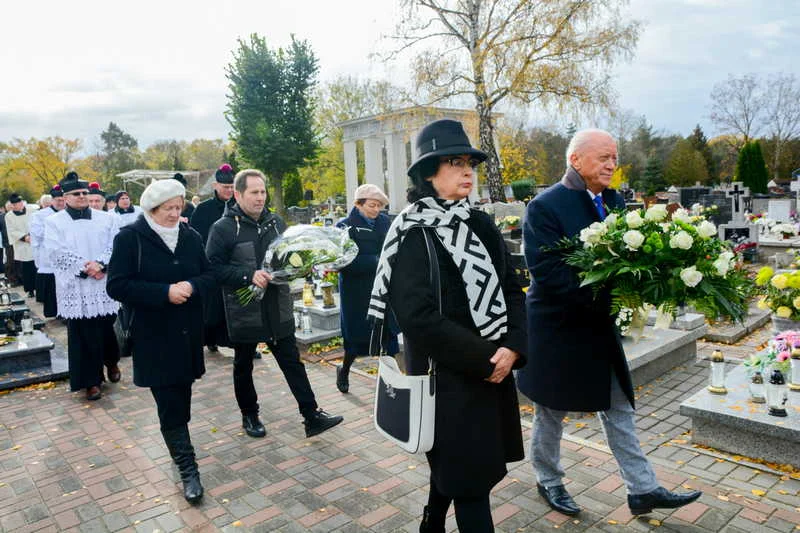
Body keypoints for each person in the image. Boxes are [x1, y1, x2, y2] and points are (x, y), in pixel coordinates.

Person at [517, 129, 702, 517]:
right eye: (603, 157)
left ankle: (642, 488)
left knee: (618, 405)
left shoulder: (615, 200)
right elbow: (547, 272)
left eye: (614, 157)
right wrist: (610, 284)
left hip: (599, 326)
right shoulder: (545, 207)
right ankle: (548, 479)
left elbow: (632, 258)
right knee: (551, 411)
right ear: (576, 161)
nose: (611, 164)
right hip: (558, 327)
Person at [368, 119, 527, 533]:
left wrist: (512, 345)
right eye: (454, 162)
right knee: (471, 483)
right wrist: (485, 358)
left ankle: (432, 519)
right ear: (428, 174)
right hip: (450, 376)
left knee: (464, 467)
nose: (467, 171)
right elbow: (418, 317)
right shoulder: (412, 234)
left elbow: (512, 287)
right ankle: (436, 518)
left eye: (470, 162)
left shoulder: (480, 223)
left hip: (494, 366)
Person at [206, 169, 344, 439]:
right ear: (238, 194)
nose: (260, 198)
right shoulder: (223, 228)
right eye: (254, 193)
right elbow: (212, 269)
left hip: (277, 307)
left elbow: (285, 259)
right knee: (244, 365)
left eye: (263, 192)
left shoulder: (275, 223)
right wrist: (247, 276)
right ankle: (250, 414)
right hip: (244, 311)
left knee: (292, 361)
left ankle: (311, 415)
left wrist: (300, 267)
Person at [107, 179, 214, 504]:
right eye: (168, 208)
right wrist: (163, 292)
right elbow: (117, 285)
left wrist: (192, 287)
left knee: (181, 398)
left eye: (178, 207)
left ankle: (176, 441)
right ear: (151, 210)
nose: (174, 214)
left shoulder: (191, 236)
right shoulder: (129, 239)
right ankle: (188, 469)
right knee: (169, 404)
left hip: (186, 335)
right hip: (153, 337)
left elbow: (209, 276)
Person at [45, 171, 121, 400]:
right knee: (82, 335)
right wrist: (85, 268)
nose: (82, 196)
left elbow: (115, 244)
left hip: (102, 284)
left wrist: (101, 265)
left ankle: (111, 362)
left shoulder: (107, 218)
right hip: (76, 286)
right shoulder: (54, 222)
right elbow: (56, 252)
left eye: (85, 193)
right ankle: (91, 381)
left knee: (106, 329)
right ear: (65, 197)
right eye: (76, 194)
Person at [334, 183, 398, 393]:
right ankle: (344, 370)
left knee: (387, 337)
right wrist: (377, 260)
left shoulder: (384, 222)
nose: (376, 210)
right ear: (358, 204)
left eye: (379, 205)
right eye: (372, 205)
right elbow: (342, 262)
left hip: (382, 289)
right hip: (356, 292)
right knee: (356, 340)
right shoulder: (344, 227)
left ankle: (391, 382)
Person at [190, 163, 235, 353]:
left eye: (232, 187)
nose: (230, 191)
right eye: (226, 187)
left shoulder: (239, 207)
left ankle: (240, 342)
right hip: (211, 264)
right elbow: (195, 237)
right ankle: (210, 339)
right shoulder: (202, 210)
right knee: (213, 307)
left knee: (236, 307)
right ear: (215, 186)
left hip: (234, 264)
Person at [30, 185, 66, 318]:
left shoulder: (69, 213)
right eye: (58, 200)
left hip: (66, 254)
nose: (61, 203)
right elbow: (37, 234)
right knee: (52, 288)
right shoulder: (40, 215)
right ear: (52, 201)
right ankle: (55, 312)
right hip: (48, 256)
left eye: (63, 200)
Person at [5, 193, 38, 297]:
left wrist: (33, 235)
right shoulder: (9, 216)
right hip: (22, 244)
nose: (16, 206)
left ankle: (39, 289)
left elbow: (37, 223)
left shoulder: (32, 210)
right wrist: (24, 237)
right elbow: (11, 231)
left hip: (35, 241)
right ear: (12, 205)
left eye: (18, 203)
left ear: (22, 203)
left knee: (37, 267)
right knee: (26, 269)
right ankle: (30, 290)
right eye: (14, 205)